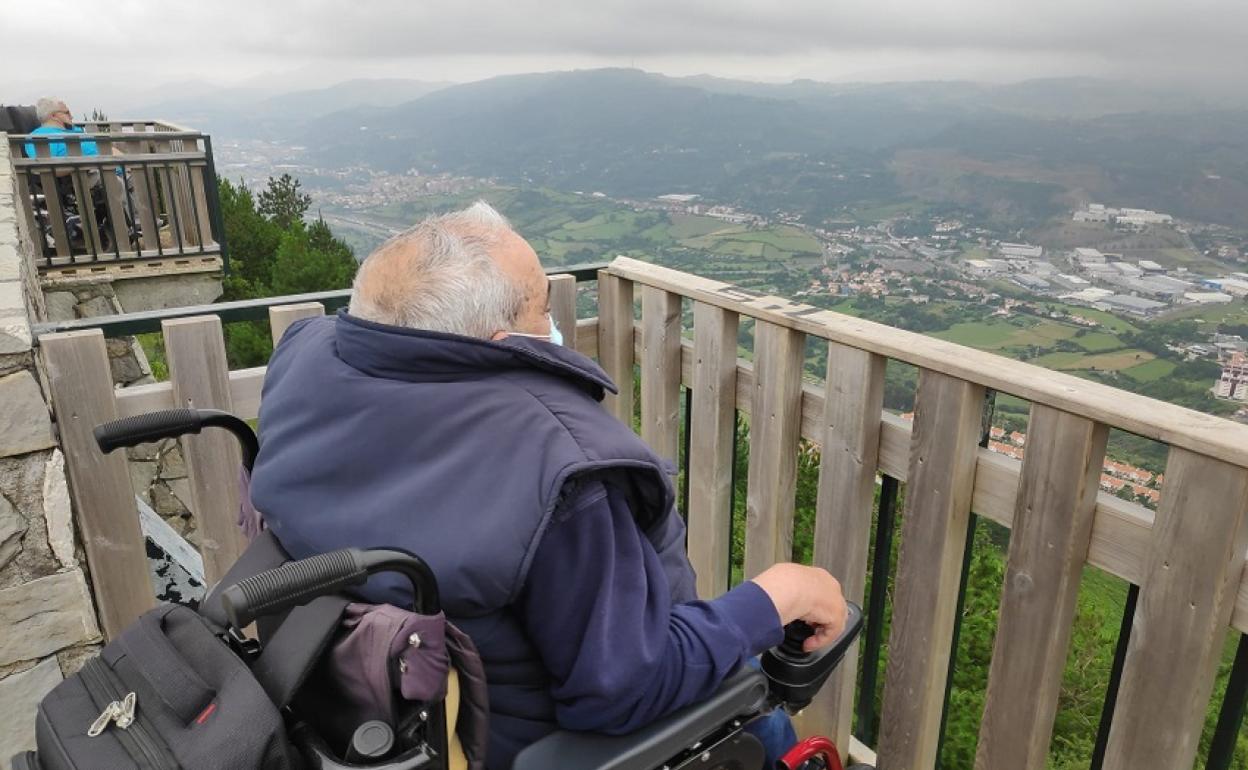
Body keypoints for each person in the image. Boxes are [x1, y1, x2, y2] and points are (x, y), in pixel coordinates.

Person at [249, 202, 848, 770]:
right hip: (538, 744)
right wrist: (777, 597)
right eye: (542, 306)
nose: (554, 324)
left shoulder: (309, 368)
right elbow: (621, 691)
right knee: (754, 701)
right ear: (498, 342)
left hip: (368, 708)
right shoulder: (558, 469)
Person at [23, 98, 99, 158]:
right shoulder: (40, 136)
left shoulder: (72, 130)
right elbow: (43, 167)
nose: (71, 116)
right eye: (67, 113)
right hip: (94, 171)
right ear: (54, 116)